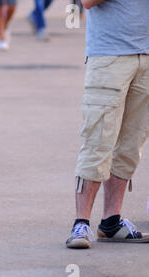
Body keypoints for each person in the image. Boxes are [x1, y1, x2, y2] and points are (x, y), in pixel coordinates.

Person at [66, 0, 149, 249]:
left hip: (145, 57)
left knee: (131, 144)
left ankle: (111, 222)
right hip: (109, 57)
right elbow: (88, 2)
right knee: (98, 140)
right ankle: (81, 224)